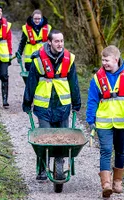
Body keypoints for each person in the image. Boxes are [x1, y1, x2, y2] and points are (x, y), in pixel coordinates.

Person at [22, 30, 81, 180]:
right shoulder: (38, 60)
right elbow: (31, 82)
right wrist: (27, 102)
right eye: (56, 41)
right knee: (44, 138)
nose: (60, 44)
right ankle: (42, 169)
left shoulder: (69, 59)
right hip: (44, 106)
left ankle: (59, 164)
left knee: (62, 139)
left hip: (63, 105)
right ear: (49, 42)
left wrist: (76, 103)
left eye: (61, 41)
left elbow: (74, 82)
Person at [86, 45, 124, 197]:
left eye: (107, 60)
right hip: (103, 122)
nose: (104, 63)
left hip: (123, 122)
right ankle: (106, 184)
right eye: (103, 60)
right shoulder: (97, 78)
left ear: (116, 59)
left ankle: (117, 182)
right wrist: (90, 119)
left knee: (120, 152)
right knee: (105, 150)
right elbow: (92, 100)